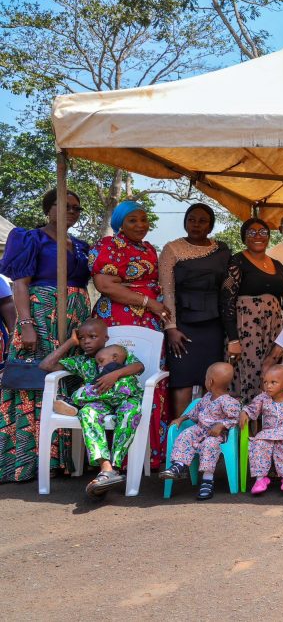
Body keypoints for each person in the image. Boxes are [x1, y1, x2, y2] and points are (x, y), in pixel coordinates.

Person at [0, 189, 91, 482]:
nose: (72, 212)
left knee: (68, 380)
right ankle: (28, 462)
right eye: (66, 206)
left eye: (77, 209)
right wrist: (25, 323)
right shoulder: (31, 238)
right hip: (41, 317)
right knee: (35, 383)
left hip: (74, 317)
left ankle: (63, 460)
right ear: (48, 208)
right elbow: (20, 284)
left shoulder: (80, 246)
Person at [90, 200, 172, 468]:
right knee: (117, 375)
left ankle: (151, 454)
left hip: (149, 321)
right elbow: (105, 285)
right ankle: (114, 458)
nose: (140, 225)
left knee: (149, 377)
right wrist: (149, 303)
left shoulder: (148, 248)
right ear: (120, 223)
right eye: (132, 220)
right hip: (118, 317)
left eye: (144, 219)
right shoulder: (109, 246)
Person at [40, 319, 144, 498]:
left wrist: (115, 374)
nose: (86, 341)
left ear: (105, 337)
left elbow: (139, 366)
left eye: (93, 336)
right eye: (82, 338)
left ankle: (115, 468)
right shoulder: (81, 361)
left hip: (126, 398)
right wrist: (70, 342)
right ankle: (106, 468)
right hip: (100, 402)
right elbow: (46, 366)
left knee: (130, 412)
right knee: (87, 413)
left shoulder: (118, 352)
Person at [158, 203, 232, 418]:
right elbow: (167, 291)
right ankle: (179, 435)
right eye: (192, 219)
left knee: (211, 380)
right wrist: (170, 327)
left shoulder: (222, 249)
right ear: (185, 222)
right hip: (182, 324)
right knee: (182, 379)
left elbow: (227, 289)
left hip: (213, 324)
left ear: (210, 226)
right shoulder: (171, 249)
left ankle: (204, 432)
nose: (196, 225)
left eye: (202, 221)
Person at [221, 217, 283, 403]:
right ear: (243, 237)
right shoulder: (236, 261)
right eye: (251, 232)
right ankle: (246, 425)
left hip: (273, 329)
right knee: (248, 372)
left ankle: (267, 422)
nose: (257, 236)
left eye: (263, 232)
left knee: (271, 374)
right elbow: (226, 301)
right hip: (246, 328)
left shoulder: (277, 265)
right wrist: (233, 339)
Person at [160, 362, 240, 501]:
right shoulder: (206, 397)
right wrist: (181, 418)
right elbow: (195, 412)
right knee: (186, 434)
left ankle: (207, 480)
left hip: (216, 435)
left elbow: (235, 418)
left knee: (209, 445)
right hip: (200, 429)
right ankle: (179, 465)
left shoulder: (229, 402)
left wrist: (221, 425)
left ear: (210, 381)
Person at [240, 364, 283, 495]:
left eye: (273, 382)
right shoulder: (262, 398)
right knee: (259, 444)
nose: (268, 386)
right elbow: (251, 408)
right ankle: (260, 478)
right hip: (268, 431)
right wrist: (244, 412)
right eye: (265, 382)